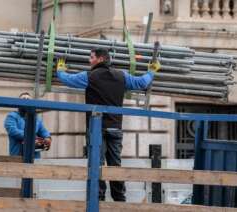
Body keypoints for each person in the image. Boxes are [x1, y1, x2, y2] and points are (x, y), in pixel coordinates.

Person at [56, 48, 161, 202]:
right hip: (115, 127)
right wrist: (151, 71)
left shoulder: (90, 76)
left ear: (100, 59)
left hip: (96, 128)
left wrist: (60, 70)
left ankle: (98, 200)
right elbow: (142, 82)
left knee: (96, 164)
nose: (89, 60)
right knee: (115, 165)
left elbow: (68, 79)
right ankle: (119, 201)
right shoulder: (121, 76)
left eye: (91, 57)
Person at [4, 92, 52, 158]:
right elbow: (13, 131)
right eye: (23, 98)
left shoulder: (36, 119)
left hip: (34, 157)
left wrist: (47, 138)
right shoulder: (12, 116)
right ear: (18, 103)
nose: (26, 100)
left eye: (28, 99)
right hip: (18, 155)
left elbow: (43, 131)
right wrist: (32, 137)